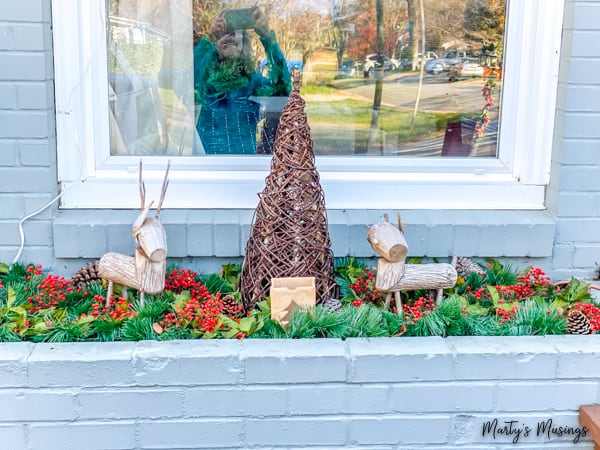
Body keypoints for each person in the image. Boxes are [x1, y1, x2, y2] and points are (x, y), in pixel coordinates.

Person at [193, 7, 291, 154]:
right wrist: (209, 39)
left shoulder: (253, 83)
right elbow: (189, 81)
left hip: (245, 167)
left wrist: (267, 37)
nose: (231, 33)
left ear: (243, 44)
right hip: (206, 167)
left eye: (236, 29)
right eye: (225, 29)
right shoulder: (204, 82)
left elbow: (283, 90)